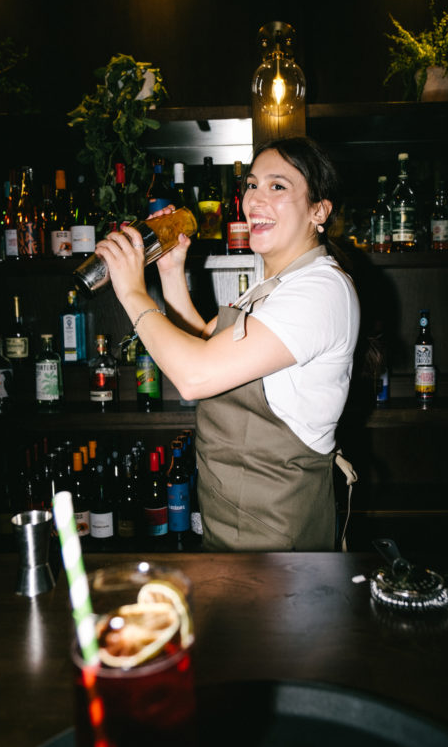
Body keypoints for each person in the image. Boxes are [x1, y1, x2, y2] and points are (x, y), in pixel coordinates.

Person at [94, 136, 360, 551]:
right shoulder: (273, 286)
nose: (255, 200)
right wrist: (169, 272)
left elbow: (195, 377)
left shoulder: (320, 289)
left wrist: (131, 291)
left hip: (279, 541)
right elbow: (203, 344)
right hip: (232, 529)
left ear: (318, 210)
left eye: (278, 186)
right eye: (251, 185)